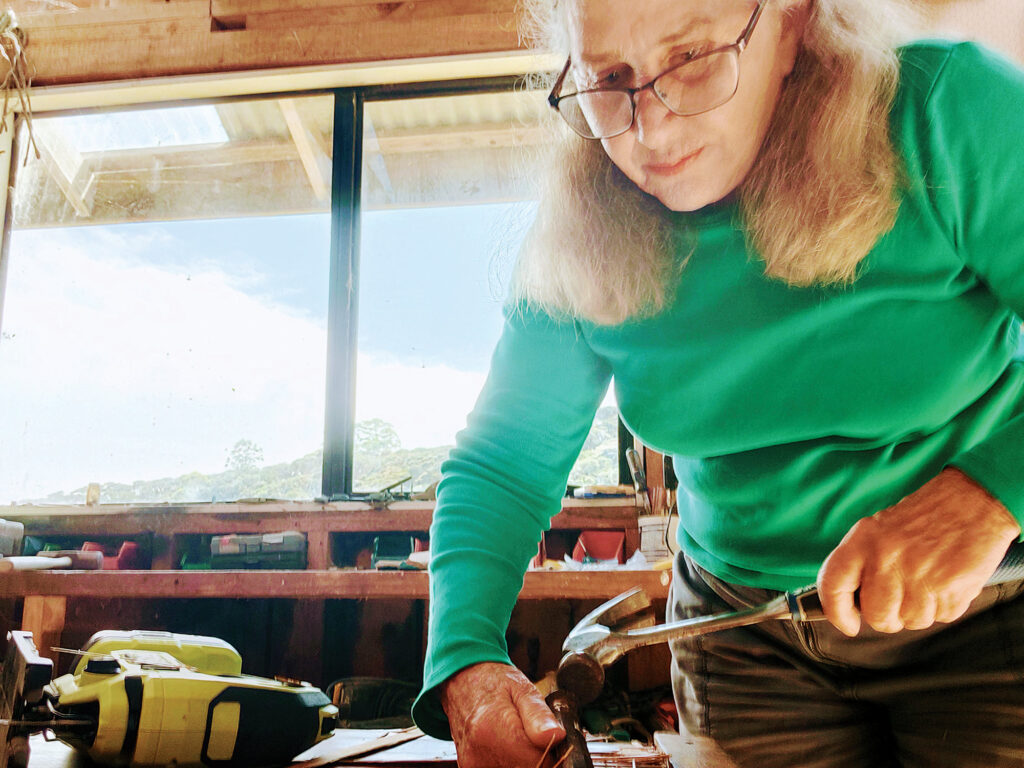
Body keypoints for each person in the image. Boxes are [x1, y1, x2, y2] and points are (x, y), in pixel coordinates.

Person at [411, 0, 1024, 765]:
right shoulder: (581, 229)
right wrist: (467, 662)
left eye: (694, 59)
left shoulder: (947, 111)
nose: (652, 130)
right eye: (610, 78)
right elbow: (505, 465)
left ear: (794, 25)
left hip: (990, 608)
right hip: (739, 639)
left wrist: (994, 492)